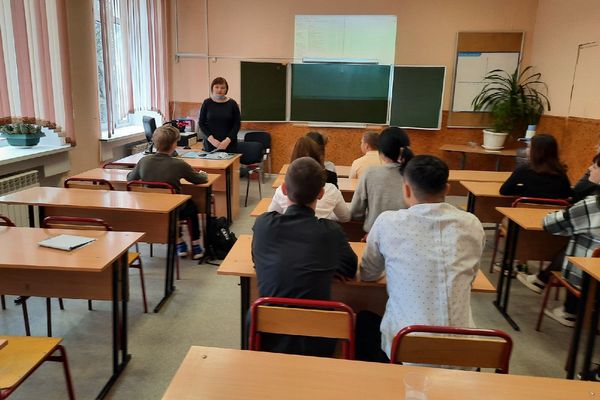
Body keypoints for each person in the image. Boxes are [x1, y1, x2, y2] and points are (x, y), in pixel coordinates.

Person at [356, 155, 485, 361]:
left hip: (406, 349)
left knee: (363, 320)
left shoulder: (388, 222)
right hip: (464, 353)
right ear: (447, 189)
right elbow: (470, 276)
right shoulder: (472, 224)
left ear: (406, 189)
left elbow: (368, 274)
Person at [252, 157, 358, 356]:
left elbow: (257, 260)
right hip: (316, 341)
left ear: (284, 189)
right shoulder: (330, 232)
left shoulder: (264, 225)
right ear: (321, 193)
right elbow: (350, 268)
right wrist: (328, 267)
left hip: (268, 338)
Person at [127, 125, 208, 259]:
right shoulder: (179, 164)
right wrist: (203, 173)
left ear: (155, 143)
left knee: (173, 212)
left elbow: (130, 178)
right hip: (175, 209)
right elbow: (200, 180)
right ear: (174, 145)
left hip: (150, 207)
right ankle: (195, 245)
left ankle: (179, 242)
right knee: (192, 208)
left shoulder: (144, 161)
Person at [540, 157, 600, 327]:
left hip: (587, 279)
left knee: (577, 250)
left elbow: (549, 224)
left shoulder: (592, 205)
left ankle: (570, 312)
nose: (590, 168)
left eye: (595, 166)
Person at [268, 137, 350, 221]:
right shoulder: (332, 190)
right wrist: (328, 217)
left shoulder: (280, 191)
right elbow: (345, 218)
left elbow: (271, 216)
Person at [350, 127, 413, 232]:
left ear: (381, 151)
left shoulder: (370, 173)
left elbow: (356, 213)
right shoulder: (415, 174)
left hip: (375, 233)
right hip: (407, 233)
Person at [499, 133, 572, 199]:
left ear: (536, 152)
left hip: (525, 208)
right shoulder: (560, 171)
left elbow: (504, 191)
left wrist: (524, 189)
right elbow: (566, 194)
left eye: (528, 147)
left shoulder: (523, 170)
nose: (526, 150)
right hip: (554, 209)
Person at [198, 77, 241, 153]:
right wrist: (212, 140)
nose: (219, 90)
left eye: (222, 88)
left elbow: (237, 124)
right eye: (216, 87)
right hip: (210, 144)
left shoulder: (232, 104)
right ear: (212, 88)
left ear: (226, 89)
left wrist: (227, 140)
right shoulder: (207, 103)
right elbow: (201, 123)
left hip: (229, 145)